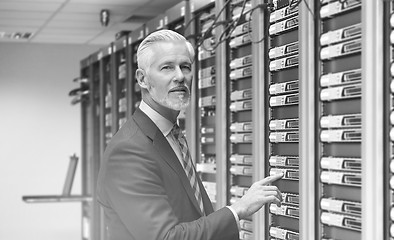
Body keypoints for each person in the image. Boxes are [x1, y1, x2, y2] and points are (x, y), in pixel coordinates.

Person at [96, 29, 284, 240]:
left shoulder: (171, 136)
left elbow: (193, 215)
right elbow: (167, 237)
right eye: (167, 67)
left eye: (185, 67)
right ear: (142, 79)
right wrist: (238, 209)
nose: (179, 76)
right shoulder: (129, 150)